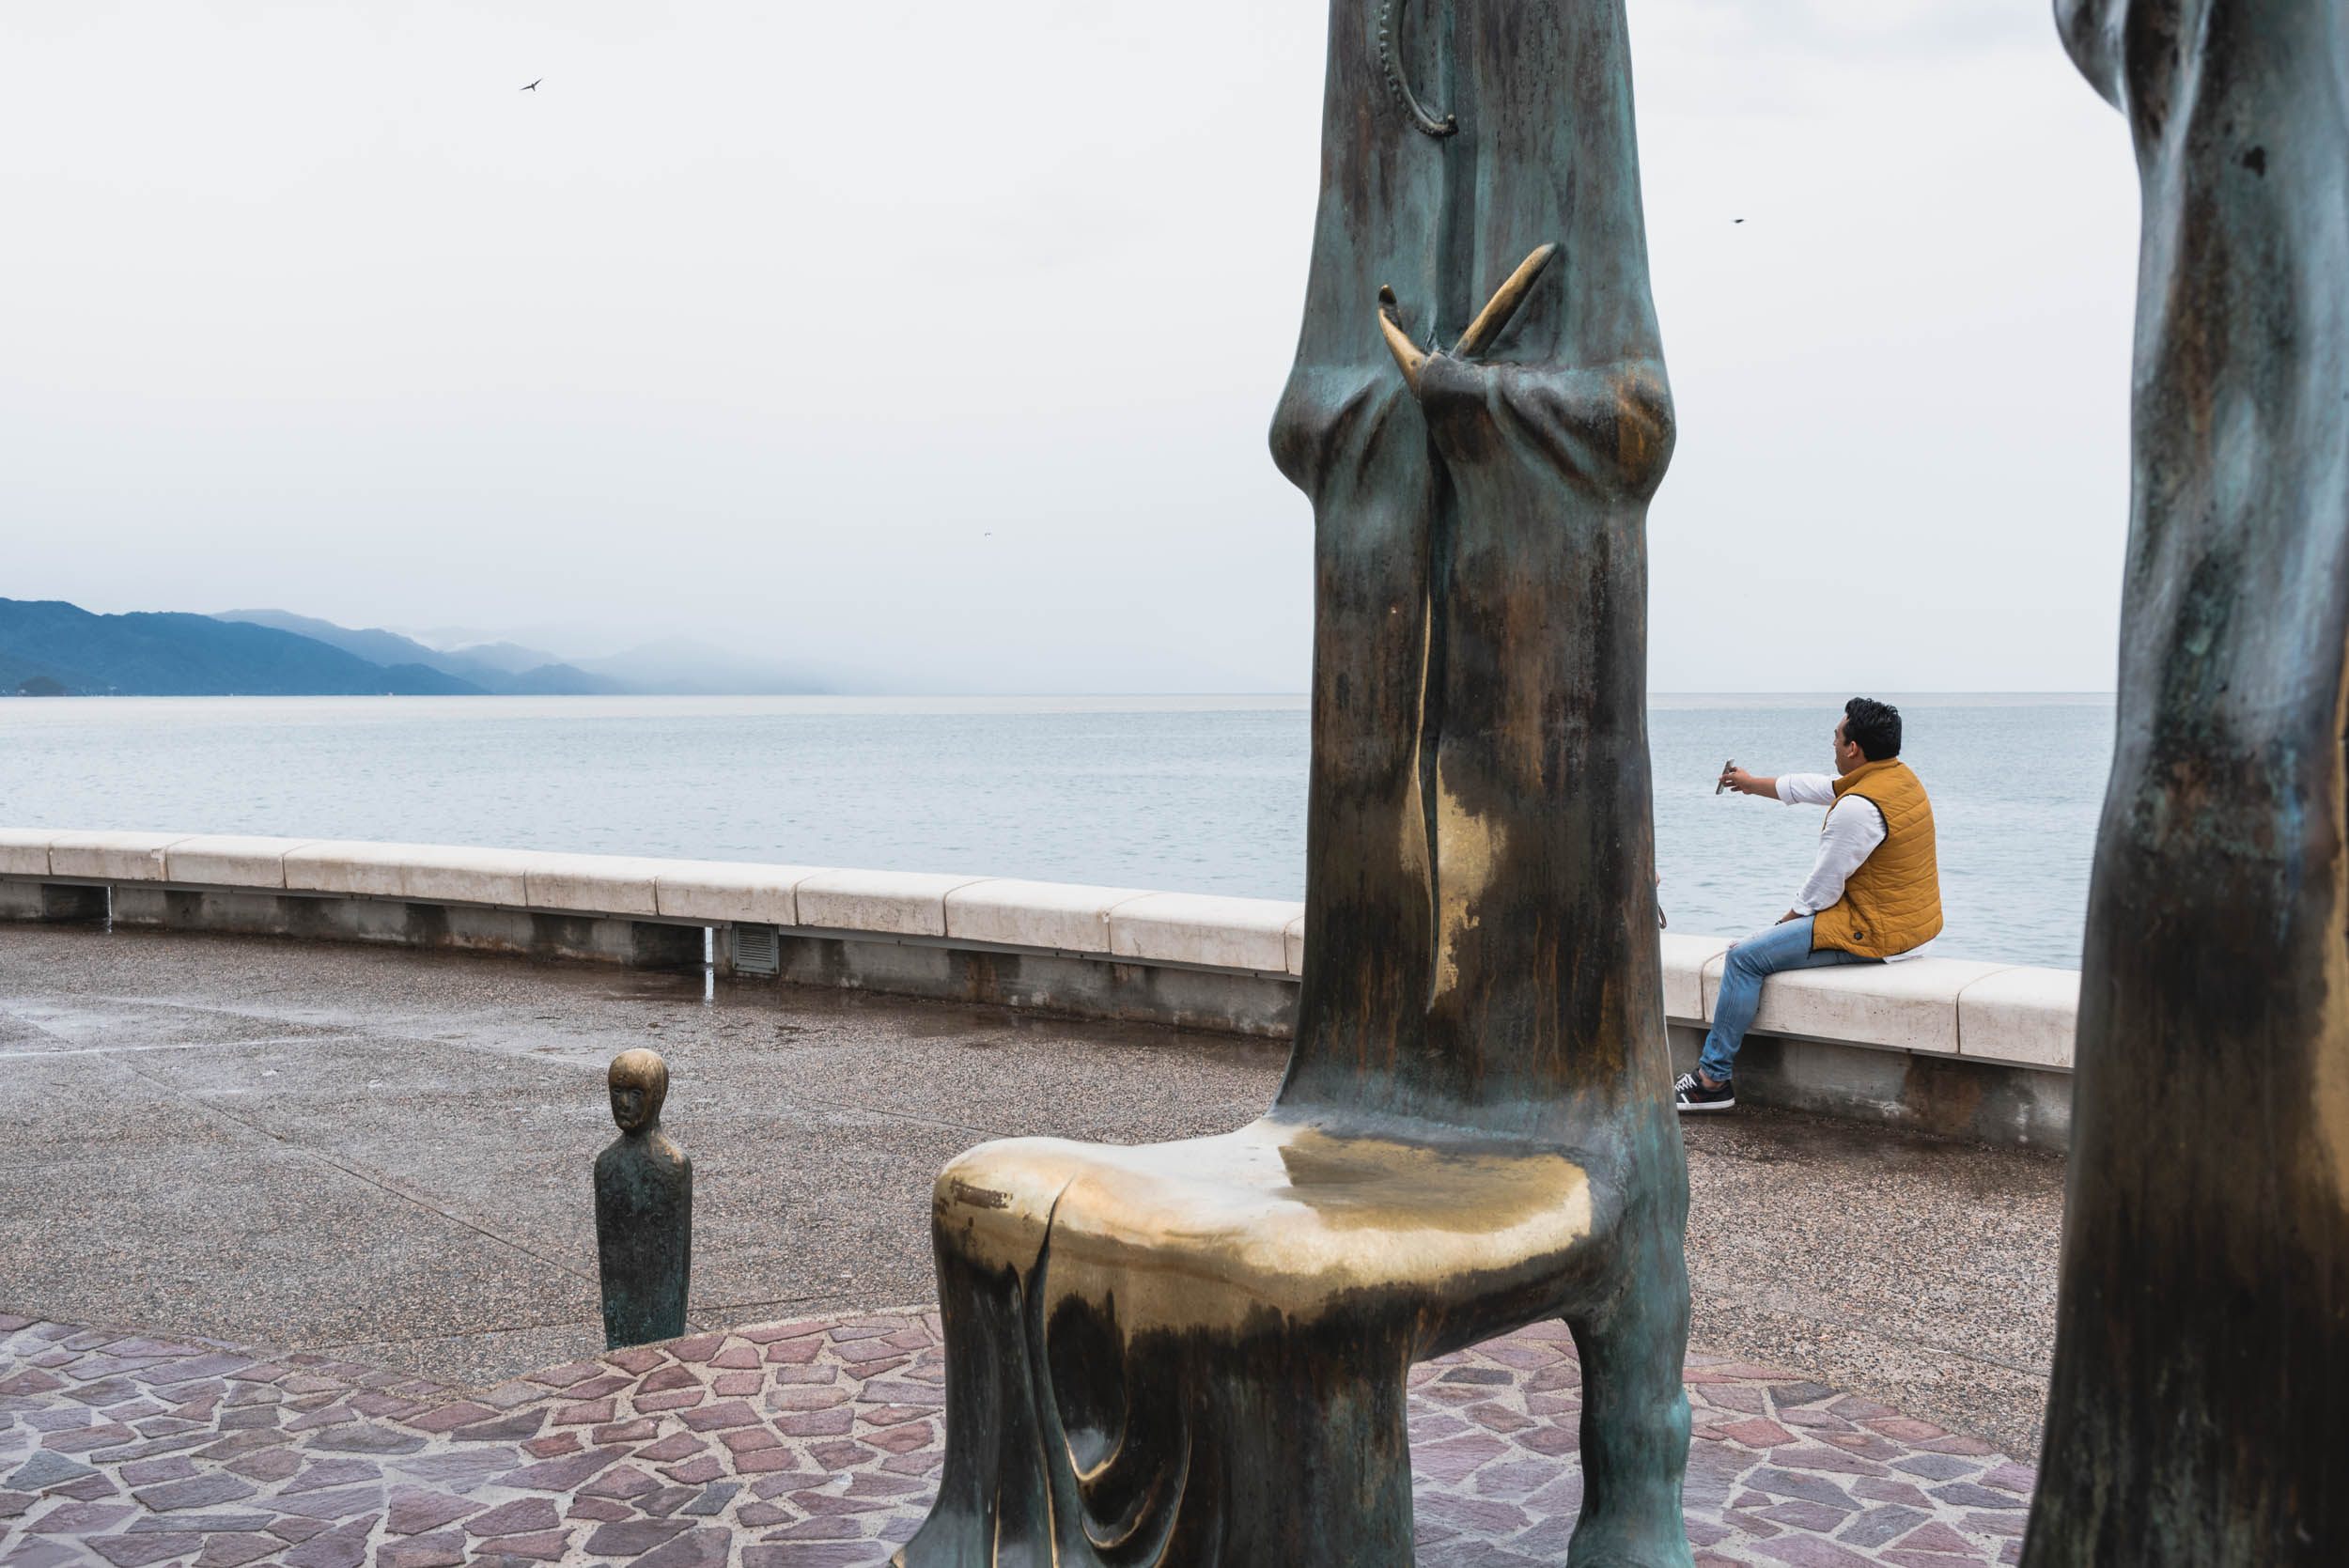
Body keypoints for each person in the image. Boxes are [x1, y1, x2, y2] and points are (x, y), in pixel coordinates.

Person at [1674, 697, 1942, 1112]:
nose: (1832, 743)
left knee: (1744, 958)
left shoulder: (1856, 809)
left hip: (1876, 933)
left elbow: (1821, 891)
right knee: (1759, 947)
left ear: (1853, 749)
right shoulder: (1898, 779)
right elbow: (1812, 787)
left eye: (1837, 737)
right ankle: (1711, 1080)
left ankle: (1711, 1081)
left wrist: (1775, 930)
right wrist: (1750, 783)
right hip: (1914, 928)